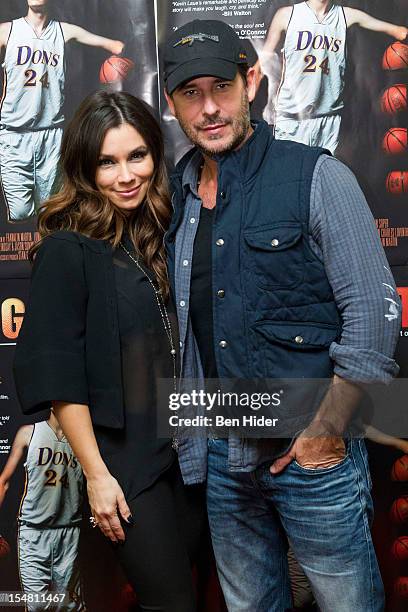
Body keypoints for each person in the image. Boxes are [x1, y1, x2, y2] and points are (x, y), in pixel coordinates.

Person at [162, 18, 401, 611]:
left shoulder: (317, 176)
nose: (209, 108)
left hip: (309, 456)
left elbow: (374, 314)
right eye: (191, 93)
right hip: (222, 456)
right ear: (172, 104)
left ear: (252, 82)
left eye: (221, 87)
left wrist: (326, 432)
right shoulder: (177, 195)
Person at [13, 91, 205, 612]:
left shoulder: (156, 233)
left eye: (137, 156)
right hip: (126, 463)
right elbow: (58, 377)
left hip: (188, 454)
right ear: (83, 166)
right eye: (107, 162)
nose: (126, 176)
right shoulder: (66, 249)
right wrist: (97, 475)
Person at [0, 0, 124, 222]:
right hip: (13, 133)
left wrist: (121, 66)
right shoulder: (7, 31)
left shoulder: (64, 31)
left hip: (51, 133)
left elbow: (116, 45)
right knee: (19, 212)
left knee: (50, 210)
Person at [255, 0, 408, 152]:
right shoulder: (287, 15)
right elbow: (265, 58)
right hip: (292, 118)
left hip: (328, 119)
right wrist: (250, 84)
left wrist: (400, 33)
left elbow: (397, 30)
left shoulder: (345, 16)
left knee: (323, 174)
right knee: (289, 174)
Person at [0, 410, 85, 611]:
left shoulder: (83, 440)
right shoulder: (29, 432)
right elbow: (3, 482)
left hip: (69, 530)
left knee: (70, 605)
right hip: (33, 530)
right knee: (37, 605)